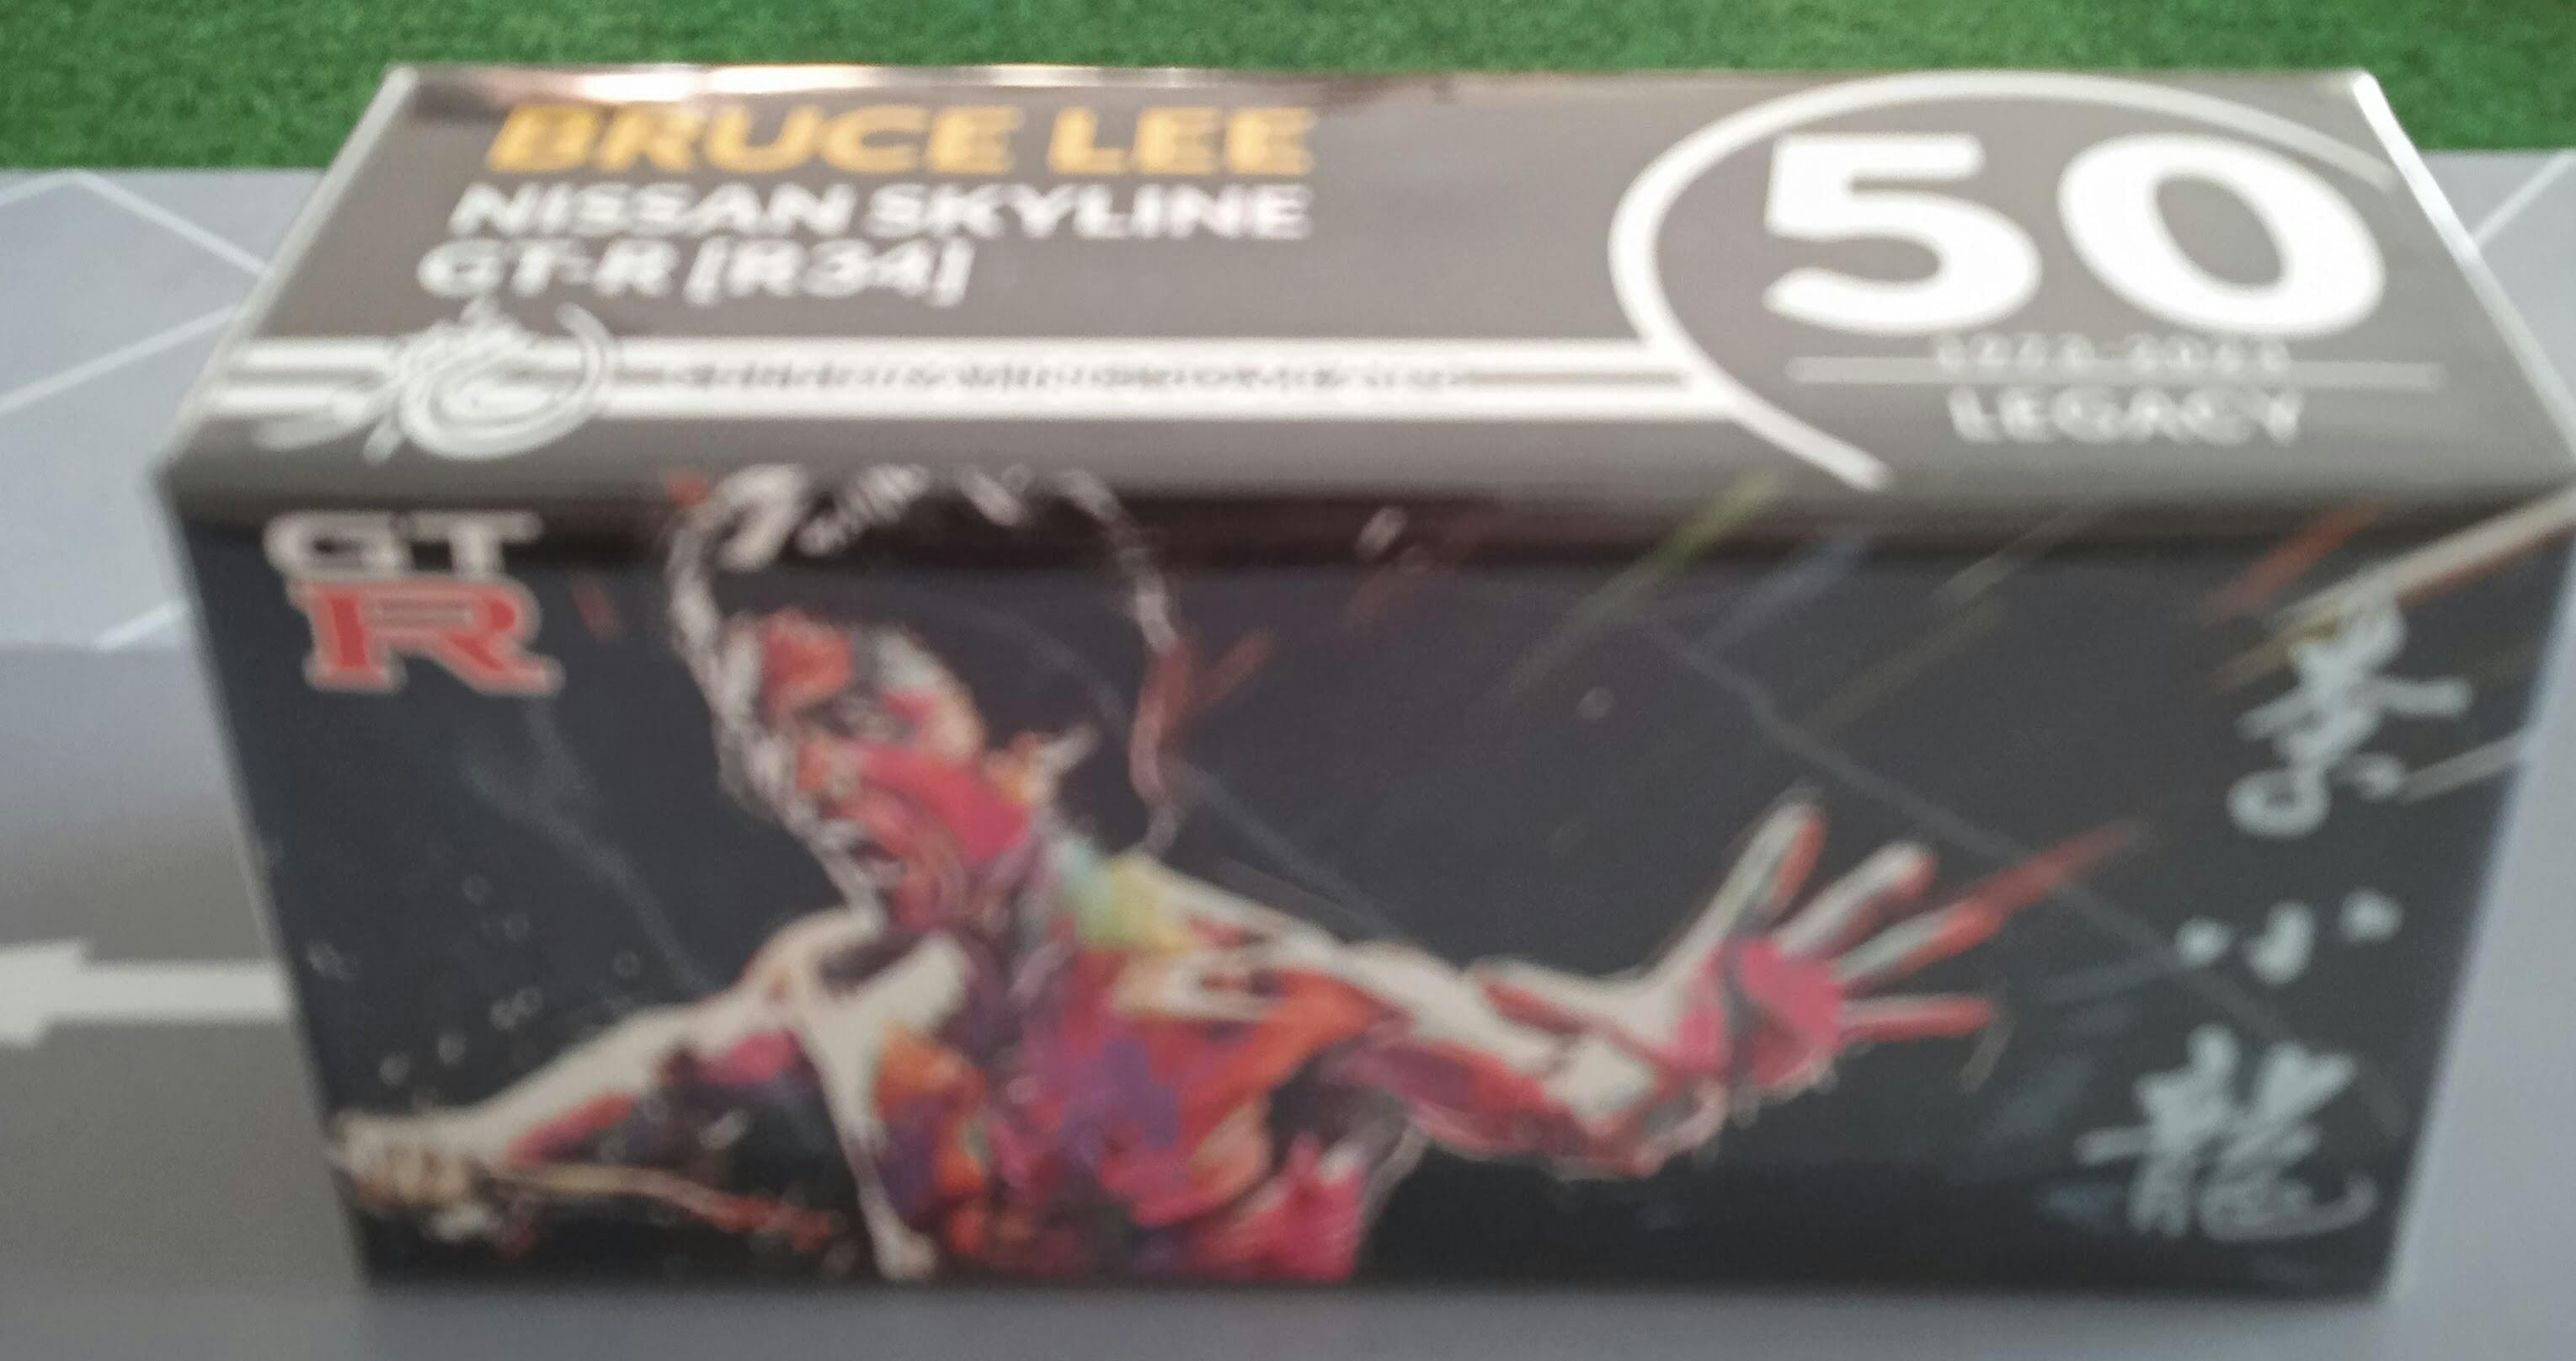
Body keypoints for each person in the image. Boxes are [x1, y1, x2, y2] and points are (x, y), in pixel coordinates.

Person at [333, 467, 2104, 1280]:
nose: (802, 778)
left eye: (860, 713)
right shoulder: (838, 979)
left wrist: (1705, 1045)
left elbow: (1583, 1106)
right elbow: (660, 1070)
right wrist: (462, 1144)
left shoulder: (1268, 992)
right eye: (767, 726)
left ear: (1043, 727)